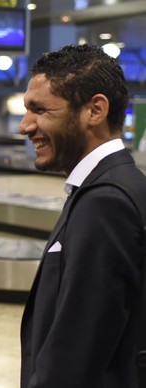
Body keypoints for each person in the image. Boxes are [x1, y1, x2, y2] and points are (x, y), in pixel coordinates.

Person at [19, 44, 146, 387]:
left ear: (95, 110)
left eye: (40, 110)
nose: (25, 126)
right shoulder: (123, 183)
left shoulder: (105, 202)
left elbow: (77, 352)